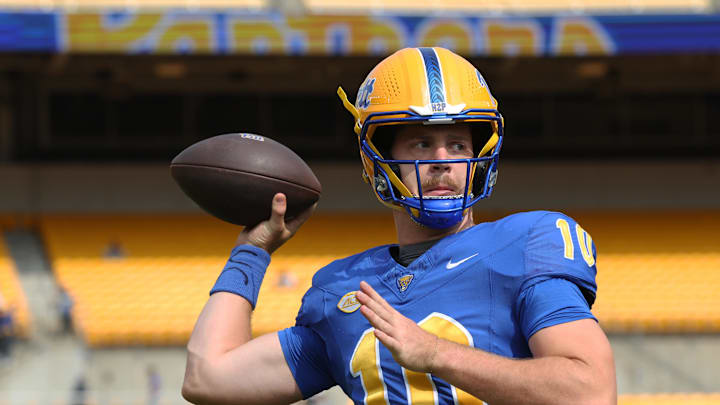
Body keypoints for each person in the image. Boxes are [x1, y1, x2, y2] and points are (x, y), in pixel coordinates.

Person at [182, 47, 616, 405]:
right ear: (377, 160)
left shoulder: (526, 245)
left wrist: (434, 353)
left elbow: (591, 392)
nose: (443, 161)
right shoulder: (345, 293)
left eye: (458, 144)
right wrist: (252, 252)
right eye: (422, 143)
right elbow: (208, 379)